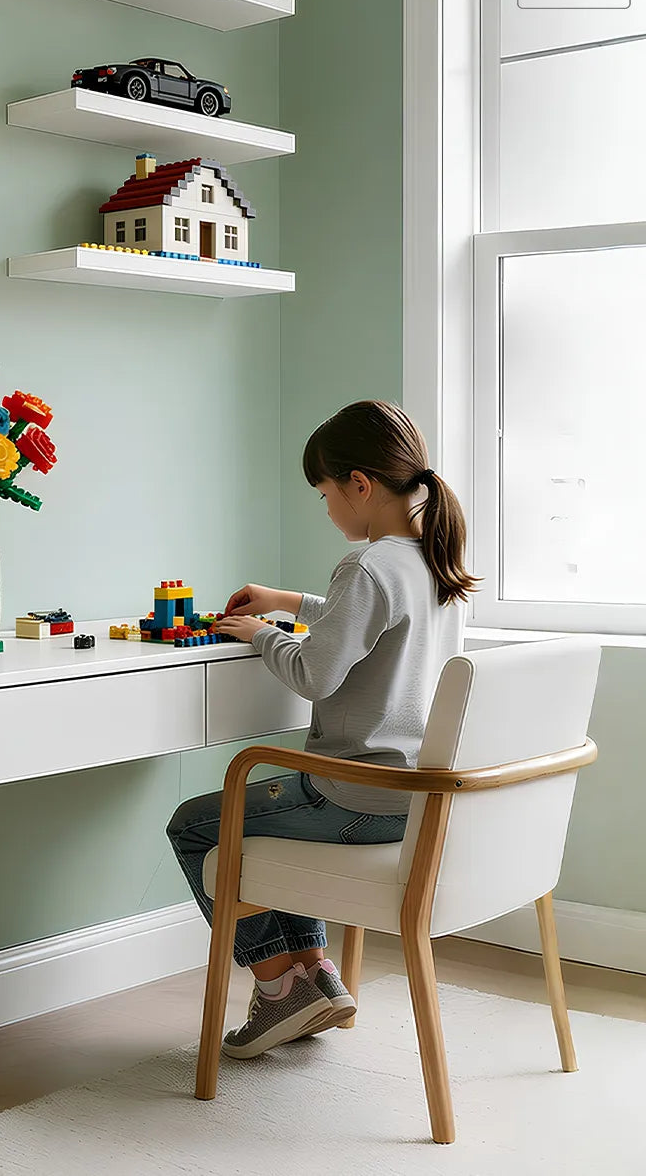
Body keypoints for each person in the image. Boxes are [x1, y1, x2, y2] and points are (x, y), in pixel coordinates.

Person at [167, 400, 480, 1059]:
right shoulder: (432, 559)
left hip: (357, 793)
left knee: (196, 824)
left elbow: (316, 673)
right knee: (271, 812)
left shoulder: (366, 566)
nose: (327, 508)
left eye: (324, 493)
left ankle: (279, 987)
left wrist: (260, 635)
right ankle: (317, 975)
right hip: (413, 797)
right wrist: (283, 602)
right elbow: (362, 626)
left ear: (358, 484)